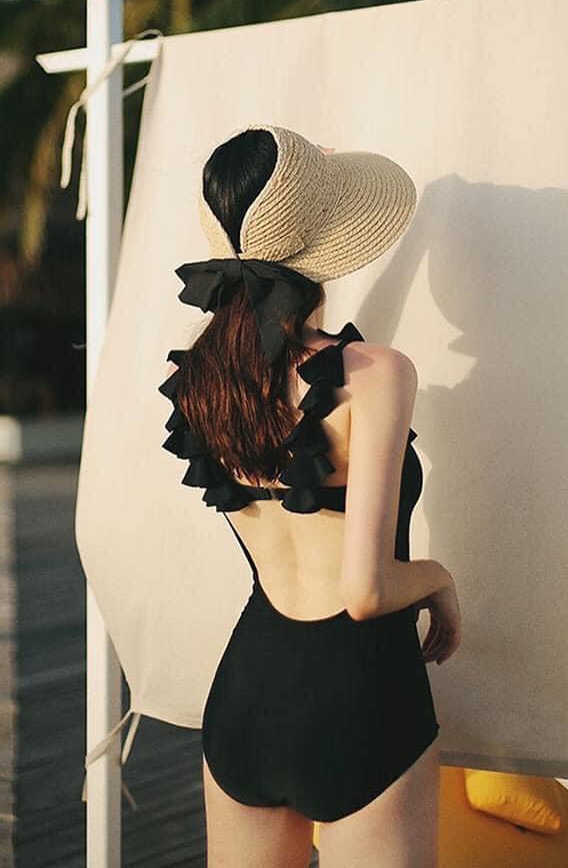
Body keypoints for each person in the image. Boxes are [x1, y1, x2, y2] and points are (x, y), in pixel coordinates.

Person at [158, 124, 462, 867]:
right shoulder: (376, 373)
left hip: (247, 696)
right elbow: (365, 591)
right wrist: (439, 580)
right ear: (325, 244)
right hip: (359, 700)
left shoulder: (198, 379)